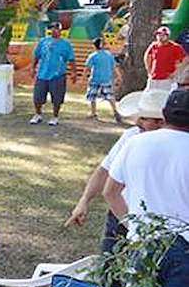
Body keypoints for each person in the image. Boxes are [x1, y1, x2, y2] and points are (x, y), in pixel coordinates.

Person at [103, 90, 189, 287]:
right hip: (184, 247)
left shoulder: (136, 143)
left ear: (164, 115)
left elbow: (110, 191)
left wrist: (132, 226)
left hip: (143, 241)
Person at [66, 88, 169, 252]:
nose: (137, 122)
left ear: (161, 122)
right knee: (109, 267)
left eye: (144, 118)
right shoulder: (131, 136)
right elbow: (104, 170)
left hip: (158, 224)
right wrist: (84, 201)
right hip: (120, 213)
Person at [30, 22, 74, 126]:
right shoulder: (43, 41)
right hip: (42, 74)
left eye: (56, 28)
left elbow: (71, 59)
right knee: (37, 97)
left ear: (60, 30)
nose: (54, 30)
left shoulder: (65, 44)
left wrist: (74, 73)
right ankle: (38, 114)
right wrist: (33, 68)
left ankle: (55, 116)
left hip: (57, 75)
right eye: (52, 28)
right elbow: (36, 56)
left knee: (57, 98)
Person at [85, 37, 120, 122]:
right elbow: (114, 67)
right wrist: (118, 76)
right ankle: (115, 112)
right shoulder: (109, 55)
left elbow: (87, 68)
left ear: (94, 46)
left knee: (92, 96)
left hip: (95, 79)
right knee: (110, 96)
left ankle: (93, 113)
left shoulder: (93, 55)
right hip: (106, 79)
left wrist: (84, 79)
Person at [144, 25, 187, 91]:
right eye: (159, 35)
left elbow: (186, 59)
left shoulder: (175, 47)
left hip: (167, 79)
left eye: (163, 35)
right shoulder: (153, 45)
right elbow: (147, 57)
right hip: (153, 79)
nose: (160, 37)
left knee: (166, 98)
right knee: (149, 97)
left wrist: (176, 73)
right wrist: (149, 70)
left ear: (167, 36)